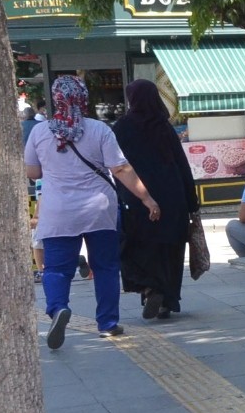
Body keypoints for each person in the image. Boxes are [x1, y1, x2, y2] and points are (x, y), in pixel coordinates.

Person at [25, 75, 161, 347]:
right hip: (99, 209)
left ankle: (57, 309)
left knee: (56, 269)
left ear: (56, 99)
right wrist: (147, 198)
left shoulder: (40, 132)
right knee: (106, 267)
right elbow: (120, 168)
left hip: (58, 211)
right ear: (83, 98)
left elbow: (33, 172)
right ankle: (108, 323)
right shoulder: (99, 130)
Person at [113, 80, 200, 320]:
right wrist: (192, 203)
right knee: (170, 250)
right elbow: (182, 166)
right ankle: (166, 301)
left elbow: (117, 166)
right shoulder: (163, 126)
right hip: (173, 198)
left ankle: (150, 287)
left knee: (139, 246)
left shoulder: (122, 127)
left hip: (138, 198)